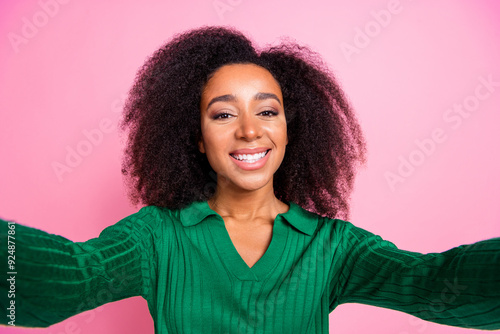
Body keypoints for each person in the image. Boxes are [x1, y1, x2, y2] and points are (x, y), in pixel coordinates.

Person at [1, 26, 499, 333]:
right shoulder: (156, 237)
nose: (248, 130)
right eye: (222, 115)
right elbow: (74, 278)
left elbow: (433, 282)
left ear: (289, 128)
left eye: (267, 110)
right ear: (195, 137)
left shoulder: (333, 247)